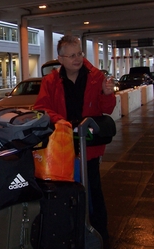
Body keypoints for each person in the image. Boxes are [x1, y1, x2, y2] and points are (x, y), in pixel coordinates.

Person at [34, 35, 116, 248]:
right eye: (71, 55)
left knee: (93, 188)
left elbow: (106, 109)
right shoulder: (50, 81)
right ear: (60, 59)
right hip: (62, 145)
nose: (77, 58)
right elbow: (41, 107)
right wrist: (61, 121)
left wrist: (108, 94)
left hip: (89, 144)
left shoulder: (96, 77)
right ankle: (69, 230)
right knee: (65, 190)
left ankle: (100, 233)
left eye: (79, 53)